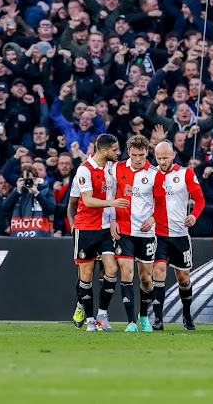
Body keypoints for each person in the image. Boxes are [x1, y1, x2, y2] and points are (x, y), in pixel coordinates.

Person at [67, 134, 128, 332]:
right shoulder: (84, 170)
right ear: (103, 151)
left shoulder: (112, 167)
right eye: (115, 150)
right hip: (85, 228)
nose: (118, 153)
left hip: (105, 229)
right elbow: (88, 201)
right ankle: (89, 317)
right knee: (86, 275)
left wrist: (112, 218)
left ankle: (102, 314)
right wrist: (113, 204)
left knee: (111, 269)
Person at [109, 134, 162, 333]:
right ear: (128, 153)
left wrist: (153, 218)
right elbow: (110, 195)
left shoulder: (155, 174)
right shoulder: (117, 169)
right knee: (126, 271)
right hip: (124, 229)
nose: (138, 159)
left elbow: (161, 204)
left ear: (147, 153)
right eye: (134, 155)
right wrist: (113, 219)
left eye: (141, 155)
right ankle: (131, 322)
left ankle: (143, 316)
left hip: (146, 232)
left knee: (146, 278)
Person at [151, 141, 205, 330]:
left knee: (183, 277)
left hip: (180, 234)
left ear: (173, 155)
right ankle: (158, 319)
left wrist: (193, 215)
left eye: (165, 157)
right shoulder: (151, 174)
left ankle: (187, 315)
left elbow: (200, 199)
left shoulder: (185, 173)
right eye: (158, 158)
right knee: (158, 272)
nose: (162, 161)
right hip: (157, 233)